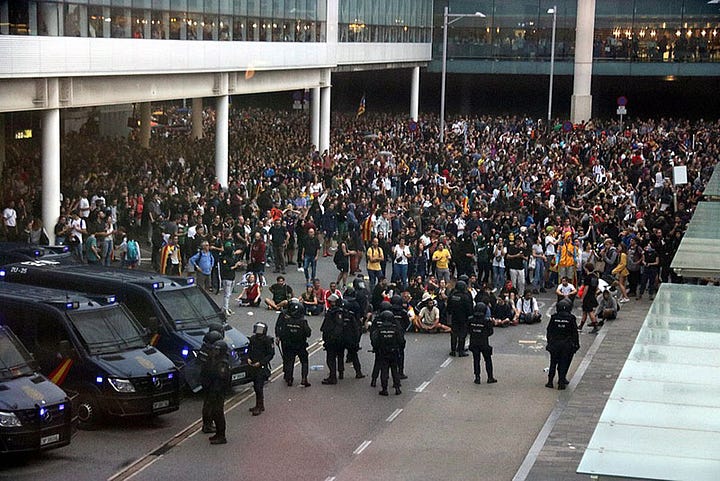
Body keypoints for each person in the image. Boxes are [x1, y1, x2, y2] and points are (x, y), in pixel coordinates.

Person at [275, 299, 312, 387]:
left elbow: (281, 330)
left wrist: (279, 337)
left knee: (289, 361)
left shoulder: (287, 320)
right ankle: (304, 379)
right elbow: (308, 333)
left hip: (288, 344)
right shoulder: (302, 321)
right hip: (300, 345)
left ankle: (289, 379)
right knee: (304, 361)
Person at [545, 299, 580, 390]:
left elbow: (549, 331)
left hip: (555, 344)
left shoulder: (554, 317)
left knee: (553, 363)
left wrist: (549, 342)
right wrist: (576, 344)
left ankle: (550, 382)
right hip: (566, 345)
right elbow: (574, 333)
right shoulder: (571, 318)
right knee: (563, 363)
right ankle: (561, 382)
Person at [370, 310, 403, 396]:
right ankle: (397, 388)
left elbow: (374, 340)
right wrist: (399, 349)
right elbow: (401, 340)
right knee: (394, 370)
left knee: (384, 371)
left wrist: (376, 348)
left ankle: (384, 389)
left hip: (383, 352)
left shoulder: (380, 329)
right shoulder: (395, 328)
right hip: (394, 352)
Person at [198, 327, 224, 434]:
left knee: (207, 403)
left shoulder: (204, 349)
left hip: (205, 380)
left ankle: (207, 424)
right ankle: (208, 425)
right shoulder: (211, 354)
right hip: (211, 382)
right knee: (211, 405)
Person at [205, 340, 231, 444]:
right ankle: (218, 434)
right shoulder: (216, 360)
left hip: (218, 392)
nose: (215, 352)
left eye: (217, 350)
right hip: (213, 390)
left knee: (218, 413)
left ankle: (221, 436)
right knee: (214, 412)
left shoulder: (222, 363)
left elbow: (221, 377)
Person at [247, 322, 275, 416]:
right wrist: (249, 358)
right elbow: (249, 349)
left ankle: (259, 406)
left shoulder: (267, 340)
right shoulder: (253, 339)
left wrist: (261, 362)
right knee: (255, 386)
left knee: (259, 387)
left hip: (261, 367)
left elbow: (270, 354)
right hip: (253, 365)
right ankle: (259, 405)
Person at [468, 302, 496, 384]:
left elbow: (468, 330)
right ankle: (490, 377)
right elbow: (490, 332)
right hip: (484, 343)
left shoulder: (470, 320)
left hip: (474, 342)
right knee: (488, 360)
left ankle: (477, 377)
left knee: (476, 360)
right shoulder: (486, 321)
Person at [320, 294, 344, 385]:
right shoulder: (339, 311)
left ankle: (333, 377)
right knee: (340, 356)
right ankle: (340, 373)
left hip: (333, 339)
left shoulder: (334, 312)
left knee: (331, 359)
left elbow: (330, 326)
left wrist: (331, 337)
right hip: (339, 339)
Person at [446, 280, 473, 357]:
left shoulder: (452, 296)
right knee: (462, 334)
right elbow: (469, 308)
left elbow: (448, 307)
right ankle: (461, 351)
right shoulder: (465, 297)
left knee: (454, 334)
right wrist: (469, 315)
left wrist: (450, 313)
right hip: (463, 318)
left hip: (454, 317)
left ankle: (453, 350)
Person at [218, 241, 242, 316]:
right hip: (226, 277)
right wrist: (235, 266)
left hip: (232, 277)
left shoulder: (231, 258)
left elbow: (235, 263)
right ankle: (225, 308)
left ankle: (226, 307)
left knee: (229, 294)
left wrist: (238, 264)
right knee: (227, 294)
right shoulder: (224, 259)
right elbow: (226, 268)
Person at [578, 263, 600, 332]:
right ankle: (581, 326)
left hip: (587, 296)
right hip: (592, 295)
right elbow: (597, 287)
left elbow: (586, 288)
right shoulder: (595, 277)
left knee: (590, 311)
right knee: (585, 311)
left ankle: (595, 325)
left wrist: (582, 297)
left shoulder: (587, 278)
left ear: (586, 268)